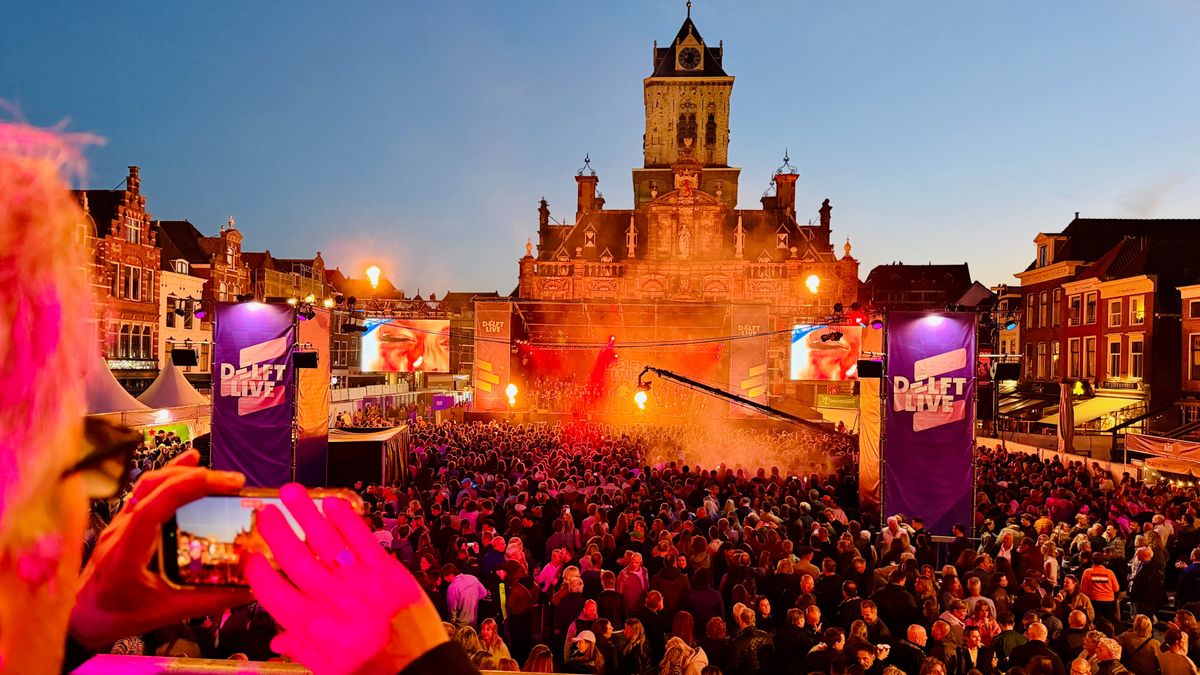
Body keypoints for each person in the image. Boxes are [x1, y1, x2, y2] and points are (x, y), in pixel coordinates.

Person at [725, 603, 774, 675]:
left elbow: (733, 667)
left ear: (741, 621)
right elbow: (772, 659)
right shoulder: (767, 636)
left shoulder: (738, 642)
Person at [444, 563, 489, 628]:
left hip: (460, 625)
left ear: (451, 575)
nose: (445, 579)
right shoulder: (472, 578)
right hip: (474, 622)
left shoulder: (452, 587)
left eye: (445, 576)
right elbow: (484, 593)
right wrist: (473, 599)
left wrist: (451, 625)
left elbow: (452, 611)